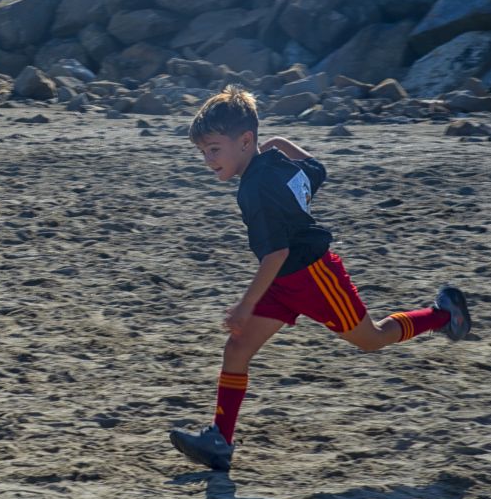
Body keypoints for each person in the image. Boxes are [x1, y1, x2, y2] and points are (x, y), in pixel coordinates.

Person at [169, 86, 472, 472]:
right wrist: (276, 142)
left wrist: (246, 305)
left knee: (372, 339)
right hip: (283, 282)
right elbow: (317, 170)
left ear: (245, 141)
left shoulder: (255, 190)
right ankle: (219, 442)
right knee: (236, 351)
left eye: (214, 149)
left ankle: (446, 315)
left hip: (314, 276)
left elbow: (275, 254)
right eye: (202, 152)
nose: (207, 160)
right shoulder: (276, 166)